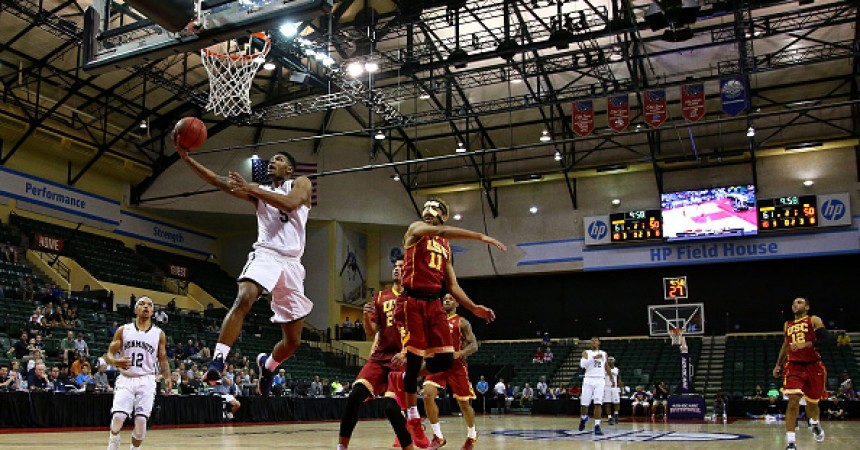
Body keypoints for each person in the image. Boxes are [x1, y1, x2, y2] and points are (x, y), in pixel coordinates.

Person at [176, 142, 314, 397]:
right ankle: (218, 360)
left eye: (279, 159)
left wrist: (252, 188)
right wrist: (186, 159)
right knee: (244, 297)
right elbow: (218, 181)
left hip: (293, 263)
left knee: (293, 341)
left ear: (290, 169)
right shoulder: (258, 192)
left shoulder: (301, 184)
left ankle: (268, 366)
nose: (272, 162)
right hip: (267, 254)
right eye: (271, 159)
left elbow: (290, 204)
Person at [387, 198, 505, 445]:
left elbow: (452, 285)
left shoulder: (445, 247)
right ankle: (413, 420)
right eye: (426, 208)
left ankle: (404, 378)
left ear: (444, 215)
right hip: (412, 302)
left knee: (444, 359)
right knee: (416, 359)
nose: (428, 212)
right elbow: (439, 230)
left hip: (433, 303)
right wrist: (480, 237)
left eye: (435, 209)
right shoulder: (416, 230)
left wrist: (474, 308)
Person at [337, 258, 416, 449]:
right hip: (380, 357)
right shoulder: (381, 297)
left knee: (391, 408)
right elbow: (371, 331)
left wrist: (406, 354)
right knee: (354, 396)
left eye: (401, 267)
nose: (397, 270)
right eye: (395, 267)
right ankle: (341, 447)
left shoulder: (415, 299)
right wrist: (365, 316)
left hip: (402, 359)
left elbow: (421, 333)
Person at [104, 296, 172, 450]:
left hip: (147, 379)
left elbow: (162, 358)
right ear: (135, 310)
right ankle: (113, 439)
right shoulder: (124, 330)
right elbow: (109, 354)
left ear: (153, 311)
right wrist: (115, 361)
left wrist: (167, 377)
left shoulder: (158, 333)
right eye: (142, 304)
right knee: (118, 417)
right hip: (126, 378)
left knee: (141, 421)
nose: (146, 307)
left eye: (149, 305)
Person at [422, 295, 480, 450]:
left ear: (457, 303)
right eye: (445, 298)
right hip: (438, 363)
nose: (446, 300)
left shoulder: (461, 322)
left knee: (464, 404)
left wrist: (459, 353)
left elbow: (474, 345)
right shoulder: (434, 320)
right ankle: (438, 437)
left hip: (456, 366)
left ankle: (472, 435)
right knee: (427, 394)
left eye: (451, 299)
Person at [773, 297, 828, 449]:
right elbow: (786, 345)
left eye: (800, 302)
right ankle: (791, 443)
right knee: (792, 402)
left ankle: (815, 423)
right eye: (793, 303)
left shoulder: (813, 320)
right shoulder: (787, 325)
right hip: (794, 366)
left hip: (813, 366)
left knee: (812, 406)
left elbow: (827, 339)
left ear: (807, 307)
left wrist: (806, 344)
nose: (795, 304)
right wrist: (778, 364)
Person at [578, 337, 610, 435]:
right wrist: (593, 358)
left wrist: (611, 378)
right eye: (592, 341)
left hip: (600, 380)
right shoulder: (586, 352)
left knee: (598, 402)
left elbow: (606, 365)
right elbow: (582, 365)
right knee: (584, 405)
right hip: (588, 379)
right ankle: (583, 418)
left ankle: (597, 426)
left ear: (599, 343)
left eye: (595, 341)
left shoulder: (604, 353)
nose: (594, 342)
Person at [603, 356, 621, 425]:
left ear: (614, 361)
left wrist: (621, 389)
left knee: (616, 402)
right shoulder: (603, 370)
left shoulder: (617, 369)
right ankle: (609, 417)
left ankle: (616, 414)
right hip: (606, 387)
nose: (610, 361)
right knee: (607, 403)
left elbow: (619, 379)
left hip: (615, 388)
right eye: (609, 360)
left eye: (611, 360)